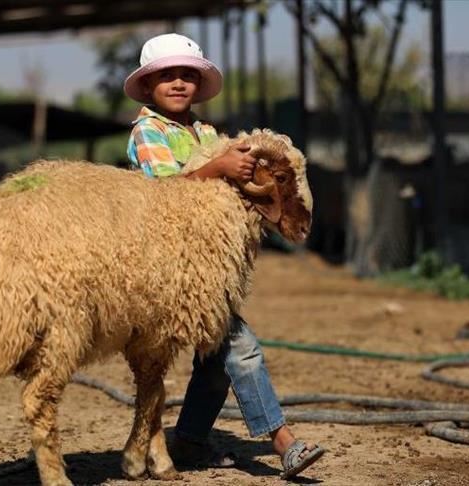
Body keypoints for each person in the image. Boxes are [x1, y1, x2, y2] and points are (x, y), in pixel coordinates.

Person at [123, 33, 325, 480]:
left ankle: (191, 441)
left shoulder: (208, 133)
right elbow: (160, 196)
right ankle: (284, 443)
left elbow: (237, 190)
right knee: (241, 347)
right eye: (167, 76)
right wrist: (216, 169)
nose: (179, 83)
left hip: (205, 271)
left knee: (216, 362)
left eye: (188, 75)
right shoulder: (148, 131)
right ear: (148, 84)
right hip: (165, 268)